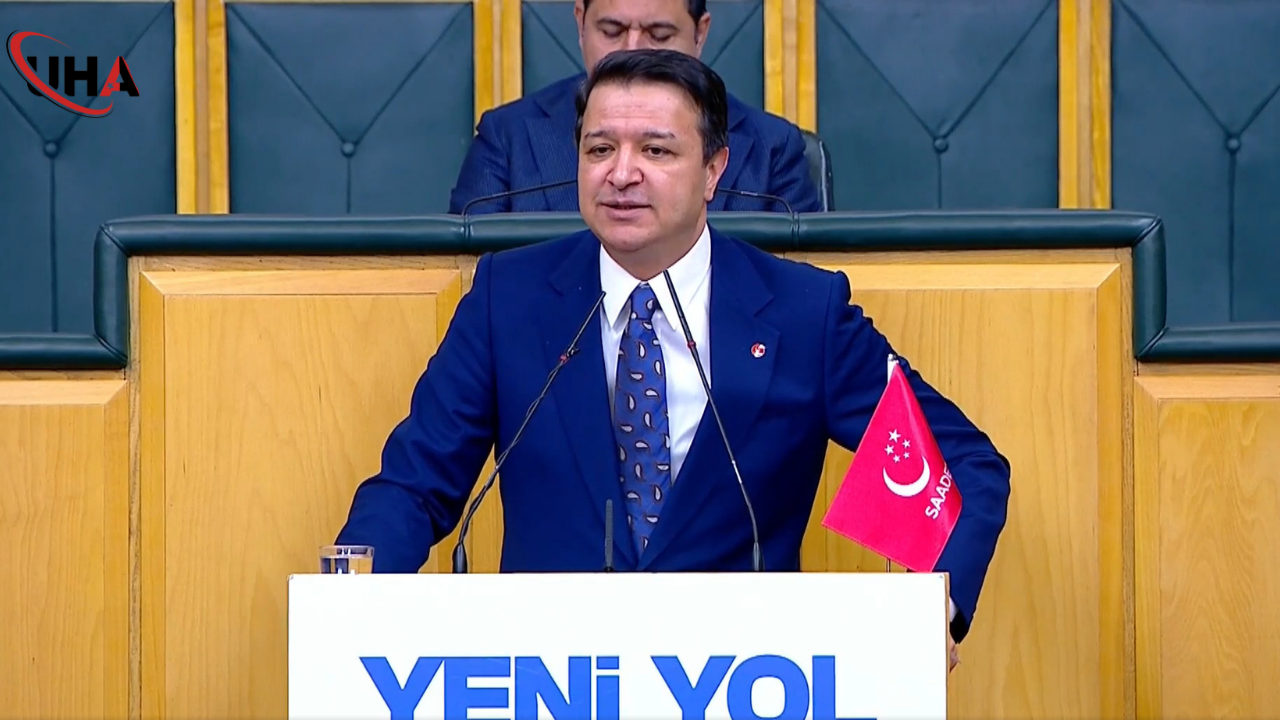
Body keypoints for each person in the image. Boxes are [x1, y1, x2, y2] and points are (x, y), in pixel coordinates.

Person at [338, 49, 1009, 663]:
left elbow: (961, 468)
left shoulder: (803, 314)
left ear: (714, 169)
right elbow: (415, 485)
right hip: (550, 676)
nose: (621, 173)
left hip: (746, 680)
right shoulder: (508, 298)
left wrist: (937, 606)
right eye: (600, 148)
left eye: (656, 150)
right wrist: (348, 604)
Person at [447, 0, 824, 215]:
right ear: (580, 23)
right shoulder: (507, 137)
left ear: (700, 33)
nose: (632, 51)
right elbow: (466, 279)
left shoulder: (773, 148)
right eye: (611, 32)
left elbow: (796, 291)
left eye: (659, 35)